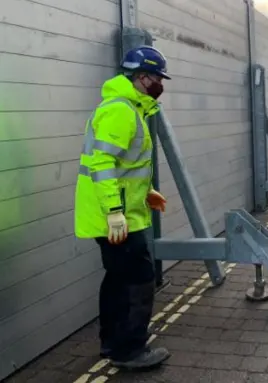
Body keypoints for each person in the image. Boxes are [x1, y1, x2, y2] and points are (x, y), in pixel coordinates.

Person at [74, 46, 172, 368]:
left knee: (117, 279)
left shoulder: (132, 108)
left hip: (120, 212)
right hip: (116, 217)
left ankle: (112, 344)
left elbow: (125, 168)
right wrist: (115, 212)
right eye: (157, 77)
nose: (160, 83)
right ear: (142, 77)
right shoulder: (121, 110)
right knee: (138, 279)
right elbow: (102, 165)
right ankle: (130, 350)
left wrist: (147, 193)